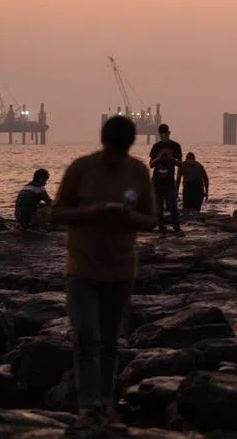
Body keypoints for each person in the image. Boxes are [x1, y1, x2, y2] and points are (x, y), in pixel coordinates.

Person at [50, 115, 157, 433]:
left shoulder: (138, 171)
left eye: (121, 150)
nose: (115, 156)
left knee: (109, 341)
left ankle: (105, 403)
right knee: (85, 336)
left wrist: (129, 216)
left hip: (121, 270)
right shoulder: (81, 169)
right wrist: (91, 212)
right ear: (103, 141)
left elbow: (151, 221)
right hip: (81, 268)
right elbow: (55, 213)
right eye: (113, 149)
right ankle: (87, 406)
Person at [149, 124, 183, 234]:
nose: (163, 137)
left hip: (169, 181)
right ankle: (161, 227)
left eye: (165, 134)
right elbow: (151, 165)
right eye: (161, 135)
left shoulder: (176, 146)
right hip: (157, 181)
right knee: (158, 205)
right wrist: (158, 158)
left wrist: (171, 159)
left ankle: (176, 227)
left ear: (169, 133)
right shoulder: (156, 147)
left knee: (172, 205)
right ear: (159, 135)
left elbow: (180, 164)